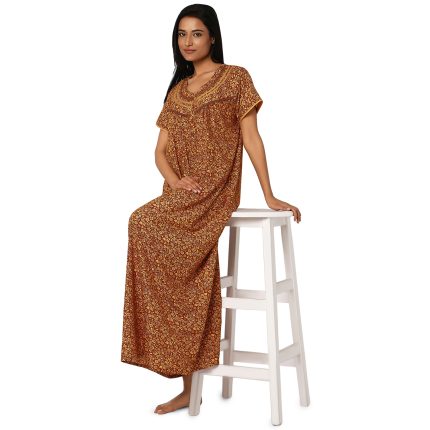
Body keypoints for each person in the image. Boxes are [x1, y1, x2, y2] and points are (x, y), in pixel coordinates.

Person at [121, 3, 302, 415]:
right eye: (181, 34)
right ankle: (187, 382)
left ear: (213, 37)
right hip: (183, 192)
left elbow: (252, 138)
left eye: (197, 33)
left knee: (144, 222)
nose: (188, 42)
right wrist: (175, 181)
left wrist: (269, 195)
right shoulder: (177, 91)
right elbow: (160, 152)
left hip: (216, 189)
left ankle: (191, 379)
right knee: (144, 227)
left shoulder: (235, 78)